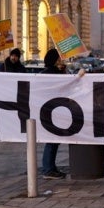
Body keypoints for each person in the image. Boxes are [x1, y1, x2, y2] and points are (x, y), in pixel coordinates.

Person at [39, 48, 67, 179]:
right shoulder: (50, 73)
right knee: (51, 141)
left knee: (54, 141)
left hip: (54, 110)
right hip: (51, 111)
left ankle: (50, 167)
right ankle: (48, 169)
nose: (60, 60)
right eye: (58, 58)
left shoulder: (54, 71)